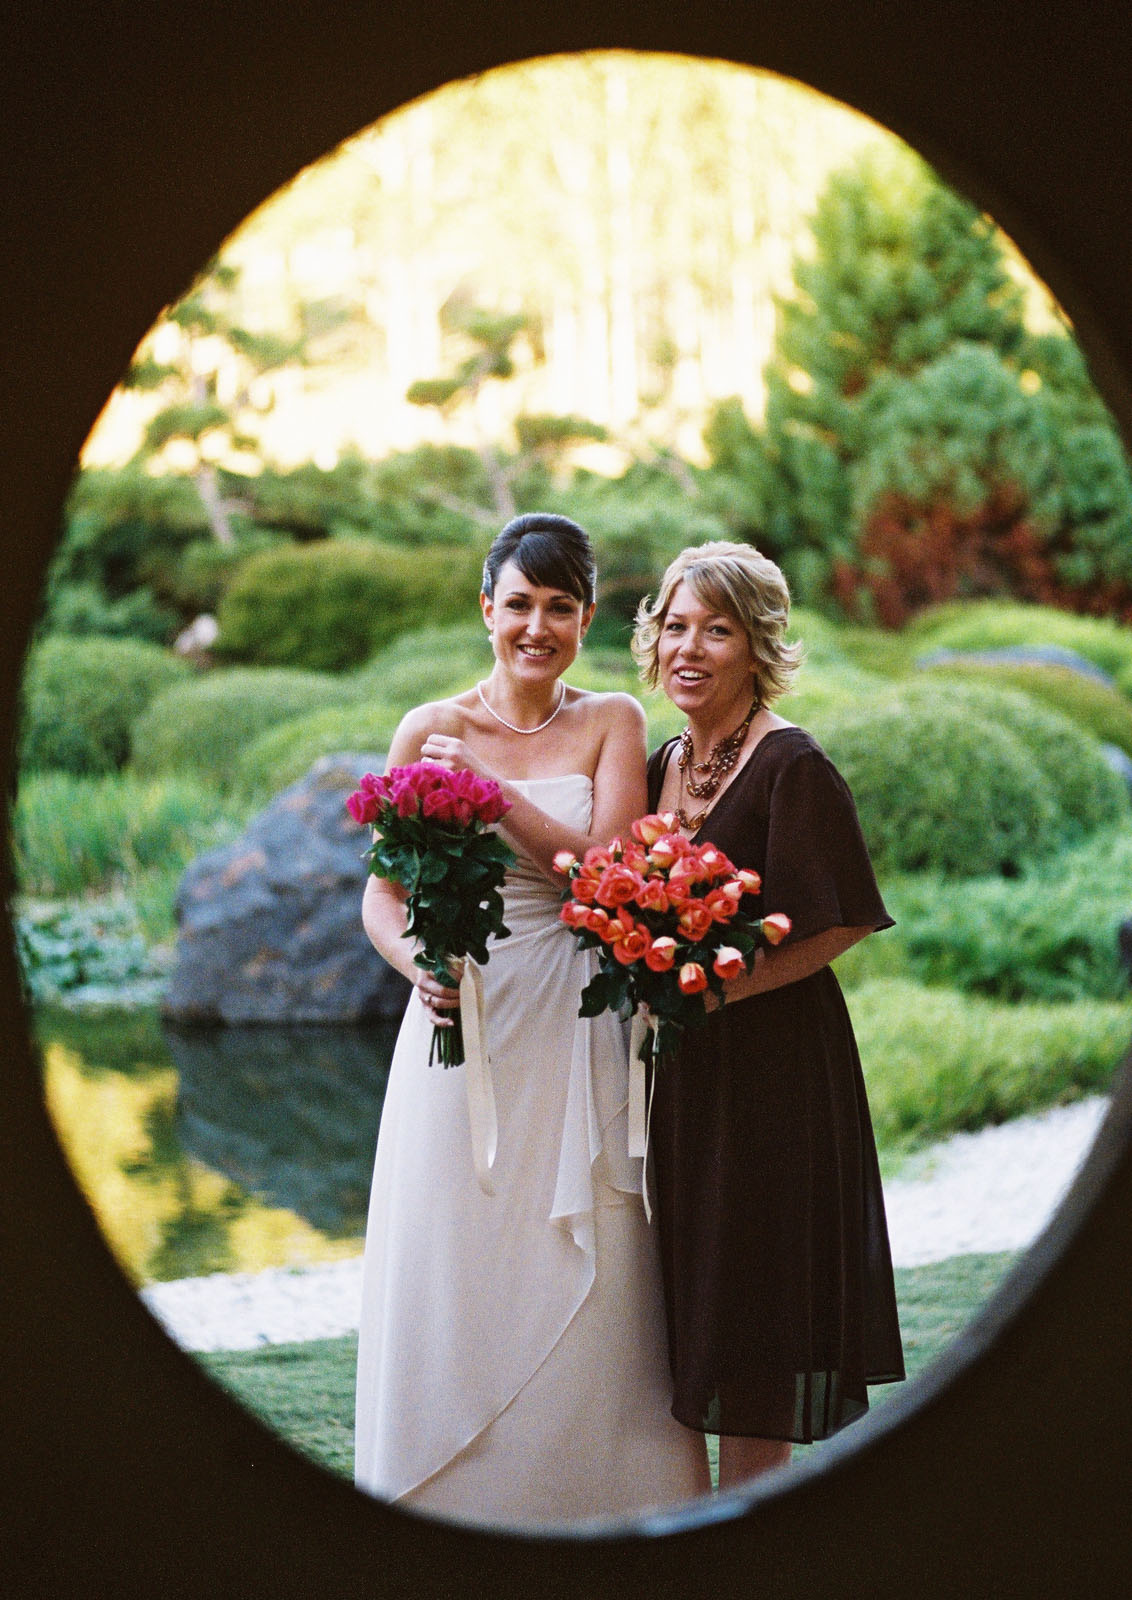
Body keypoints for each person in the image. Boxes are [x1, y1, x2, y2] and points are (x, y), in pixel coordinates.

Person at [354, 512, 709, 1526]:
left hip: (573, 1012)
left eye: (560, 606)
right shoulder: (425, 725)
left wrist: (489, 797)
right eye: (519, 603)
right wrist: (412, 960)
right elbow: (379, 895)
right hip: (457, 1018)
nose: (537, 625)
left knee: (590, 1244)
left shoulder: (612, 724)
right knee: (455, 1239)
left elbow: (607, 874)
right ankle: (448, 1494)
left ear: (587, 616)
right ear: (486, 609)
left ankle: (600, 1496)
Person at [633, 539, 906, 1490]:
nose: (690, 648)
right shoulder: (662, 760)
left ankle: (749, 1534)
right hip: (692, 1075)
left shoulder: (792, 763)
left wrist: (714, 992)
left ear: (758, 647)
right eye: (676, 626)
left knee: (756, 1316)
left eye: (719, 629)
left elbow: (840, 920)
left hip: (780, 1074)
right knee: (700, 1298)